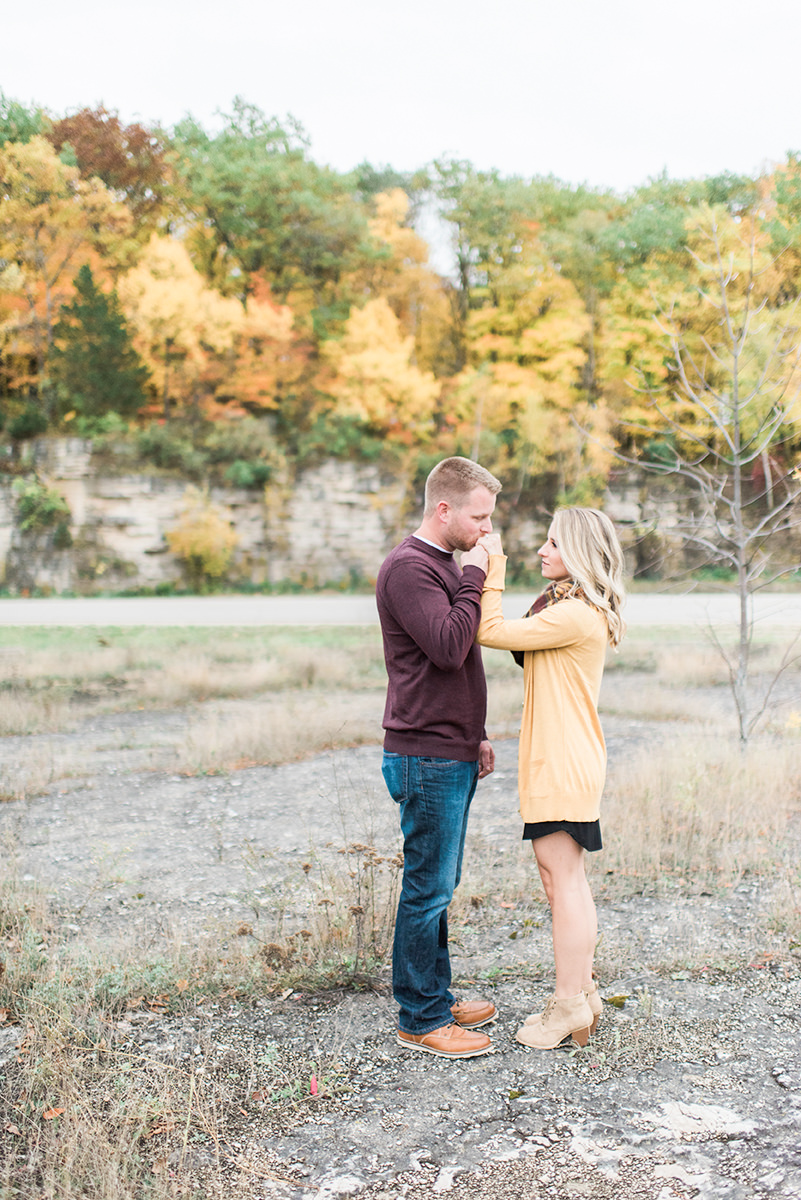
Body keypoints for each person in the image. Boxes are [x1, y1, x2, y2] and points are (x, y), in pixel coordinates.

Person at [463, 507, 626, 1050]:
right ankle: (583, 994)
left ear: (576, 553)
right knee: (563, 881)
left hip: (563, 761)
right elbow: (516, 641)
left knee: (564, 882)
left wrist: (493, 566)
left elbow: (489, 630)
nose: (543, 550)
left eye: (553, 543)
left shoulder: (576, 613)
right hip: (561, 757)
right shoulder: (569, 607)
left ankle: (567, 1006)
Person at [376, 457, 503, 1059]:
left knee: (440, 884)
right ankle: (421, 1018)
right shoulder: (410, 568)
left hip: (447, 748)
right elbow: (451, 648)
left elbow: (450, 666)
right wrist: (476, 576)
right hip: (423, 754)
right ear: (444, 509)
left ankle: (435, 992)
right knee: (427, 887)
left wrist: (472, 733)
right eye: (479, 517)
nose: (486, 529)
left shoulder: (444, 565)